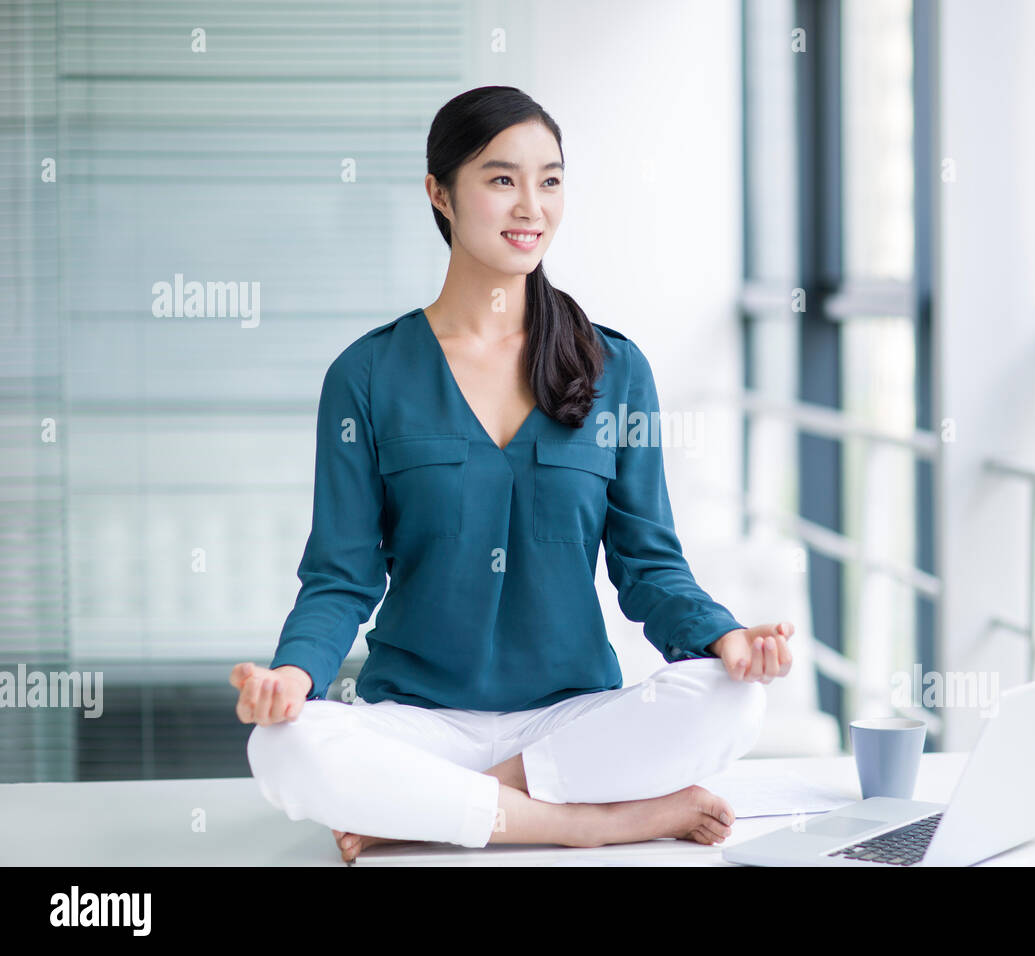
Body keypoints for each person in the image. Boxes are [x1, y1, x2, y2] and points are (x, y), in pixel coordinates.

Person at [230, 86, 795, 863]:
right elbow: (340, 575)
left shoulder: (615, 367)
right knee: (283, 747)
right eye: (501, 179)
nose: (531, 205)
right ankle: (591, 821)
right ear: (439, 192)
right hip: (419, 725)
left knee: (733, 703)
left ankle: (428, 815)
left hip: (571, 725)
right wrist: (293, 676)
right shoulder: (366, 374)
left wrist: (725, 637)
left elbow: (649, 564)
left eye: (551, 180)